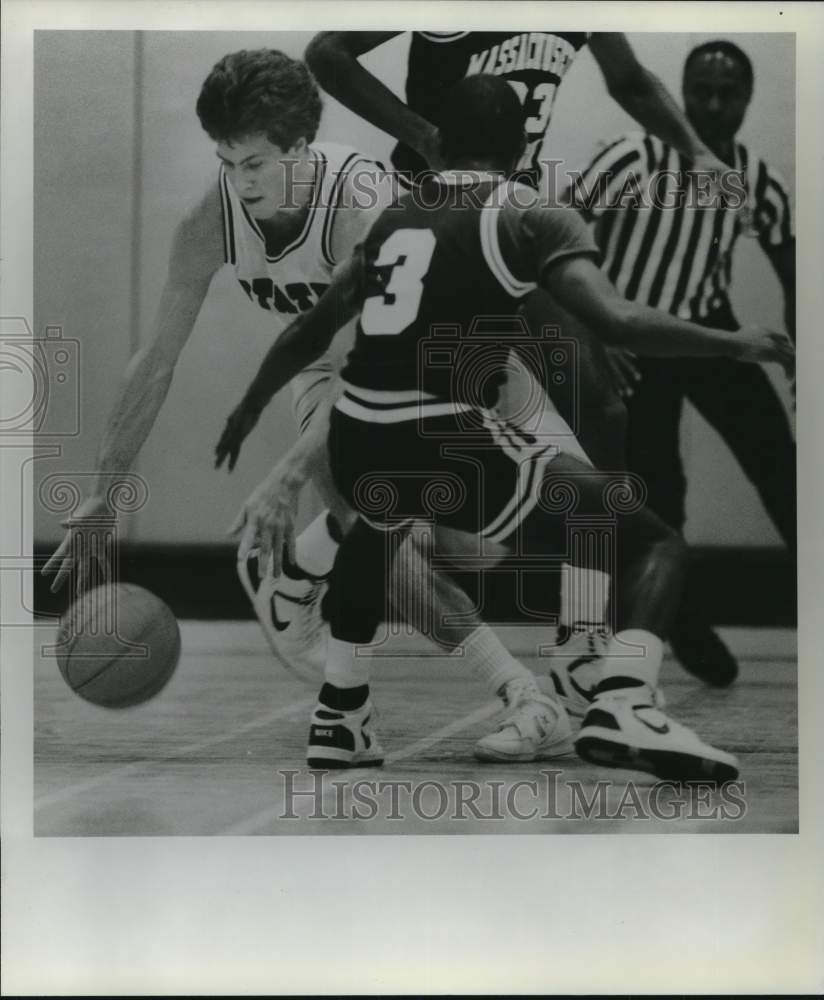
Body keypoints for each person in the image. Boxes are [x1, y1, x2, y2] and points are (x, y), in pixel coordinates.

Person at [227, 74, 792, 780]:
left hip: (359, 433)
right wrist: (737, 344)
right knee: (652, 543)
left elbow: (310, 330)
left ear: (438, 145)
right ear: (522, 144)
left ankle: (340, 717)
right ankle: (623, 697)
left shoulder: (396, 216)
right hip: (445, 436)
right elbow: (618, 320)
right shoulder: (527, 209)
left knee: (381, 522)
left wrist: (249, 406)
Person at [40, 48, 502, 703]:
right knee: (372, 508)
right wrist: (103, 491)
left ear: (302, 147)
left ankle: (292, 567)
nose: (240, 181)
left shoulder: (362, 207)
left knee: (478, 551)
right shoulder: (212, 221)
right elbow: (156, 360)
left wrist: (287, 475)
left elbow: (385, 369)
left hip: (425, 362)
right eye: (226, 161)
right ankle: (517, 690)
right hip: (328, 370)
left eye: (255, 163)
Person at [304, 29, 737, 689]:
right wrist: (424, 133)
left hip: (503, 215)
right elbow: (327, 53)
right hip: (434, 214)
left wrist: (696, 149)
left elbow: (630, 82)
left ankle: (582, 640)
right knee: (398, 463)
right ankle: (316, 583)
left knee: (600, 410)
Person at [567, 40, 796, 685]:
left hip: (706, 326)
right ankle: (684, 622)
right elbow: (559, 242)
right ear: (680, 91)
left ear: (749, 98)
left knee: (781, 464)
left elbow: (791, 262)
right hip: (633, 336)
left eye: (730, 93)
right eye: (702, 91)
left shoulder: (755, 178)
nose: (715, 104)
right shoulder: (630, 156)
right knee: (661, 493)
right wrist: (598, 327)